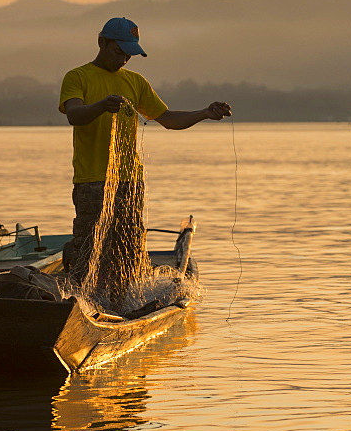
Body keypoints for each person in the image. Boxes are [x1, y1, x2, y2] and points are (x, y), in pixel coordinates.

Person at [58, 16, 231, 309]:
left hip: (129, 181)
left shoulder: (135, 82)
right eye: (118, 51)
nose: (124, 58)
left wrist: (204, 113)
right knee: (89, 250)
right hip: (92, 180)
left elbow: (167, 119)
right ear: (102, 43)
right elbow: (75, 114)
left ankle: (122, 305)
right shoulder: (78, 77)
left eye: (129, 53)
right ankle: (84, 307)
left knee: (128, 249)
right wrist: (101, 106)